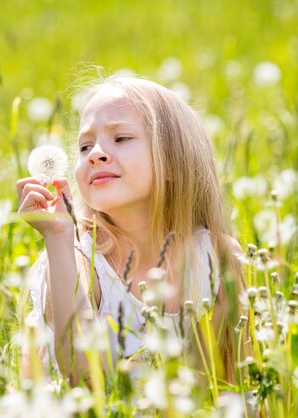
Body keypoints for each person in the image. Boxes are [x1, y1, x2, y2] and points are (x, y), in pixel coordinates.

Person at [16, 75, 247, 387]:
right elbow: (81, 378)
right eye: (85, 146)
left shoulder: (217, 257)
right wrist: (58, 239)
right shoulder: (76, 260)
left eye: (121, 139)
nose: (95, 153)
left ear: (175, 161)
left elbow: (227, 382)